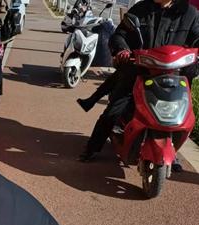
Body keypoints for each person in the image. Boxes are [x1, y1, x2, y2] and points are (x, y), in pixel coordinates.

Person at [79, 0, 199, 162]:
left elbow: (197, 39)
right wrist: (122, 49)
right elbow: (119, 35)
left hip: (172, 77)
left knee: (183, 116)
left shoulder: (189, 13)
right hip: (138, 71)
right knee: (114, 110)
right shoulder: (141, 8)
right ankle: (92, 147)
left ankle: (172, 151)